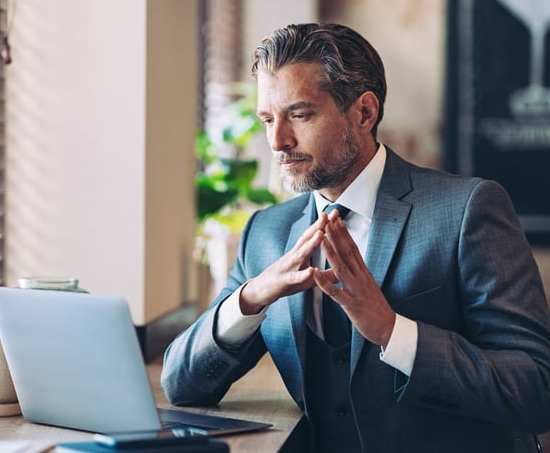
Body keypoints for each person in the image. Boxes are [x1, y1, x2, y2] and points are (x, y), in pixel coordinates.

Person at [160, 23, 550, 453]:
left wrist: (391, 331)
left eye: (300, 115)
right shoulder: (265, 234)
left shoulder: (468, 209)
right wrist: (251, 298)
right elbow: (181, 384)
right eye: (268, 119)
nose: (278, 140)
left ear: (364, 112)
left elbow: (535, 390)